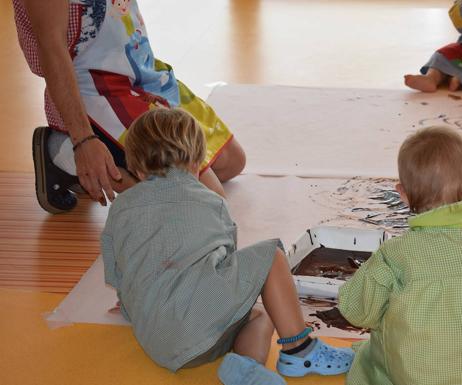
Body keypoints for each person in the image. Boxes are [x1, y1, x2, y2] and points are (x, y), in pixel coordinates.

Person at [101, 108, 354, 384]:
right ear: (199, 162)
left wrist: (133, 304)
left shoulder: (121, 207)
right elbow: (226, 260)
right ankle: (297, 351)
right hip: (204, 334)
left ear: (136, 168)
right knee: (269, 264)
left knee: (252, 308)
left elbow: (118, 269)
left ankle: (245, 373)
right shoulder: (211, 201)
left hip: (156, 343)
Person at [337, 126, 462, 385]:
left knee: (372, 359)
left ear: (403, 193)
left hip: (414, 376)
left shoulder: (394, 257)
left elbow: (358, 311)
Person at [13, 0, 245, 214]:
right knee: (205, 201)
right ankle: (64, 153)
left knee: (232, 162)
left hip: (139, 71)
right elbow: (51, 49)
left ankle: (85, 166)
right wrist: (83, 140)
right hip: (96, 90)